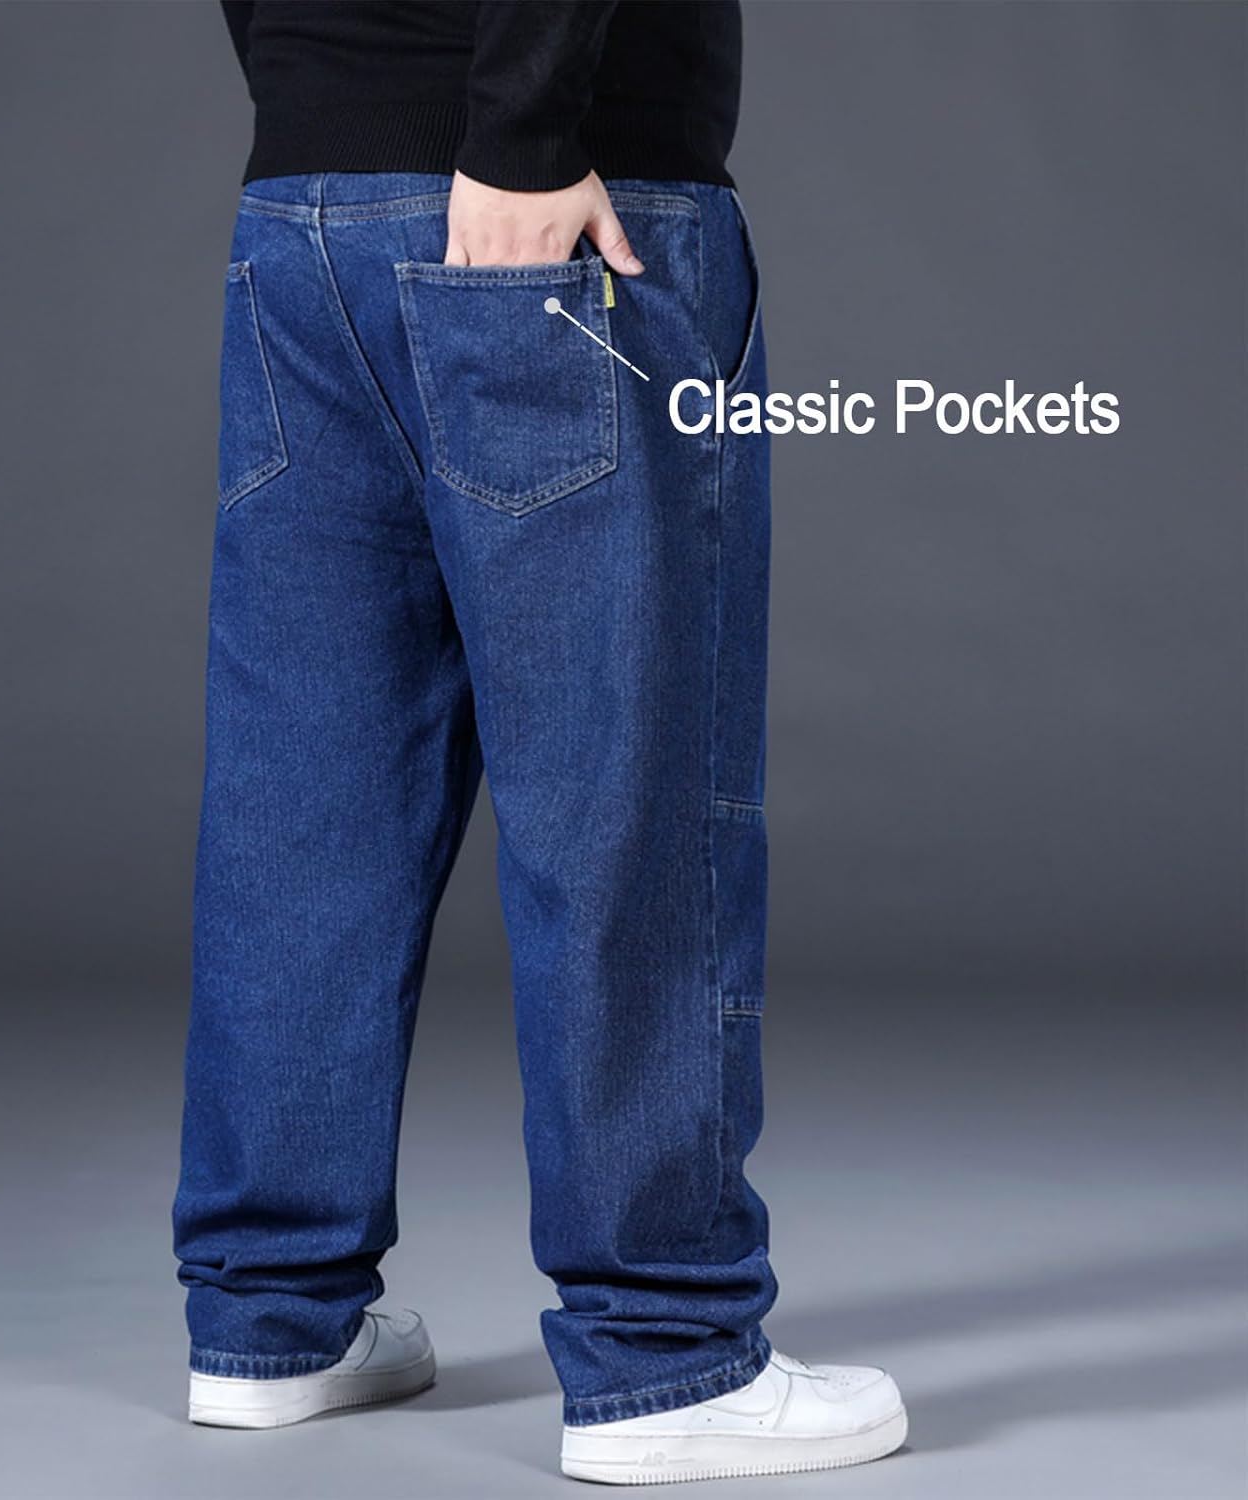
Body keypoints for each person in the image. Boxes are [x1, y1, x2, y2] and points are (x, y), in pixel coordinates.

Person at [171, 0, 905, 1482]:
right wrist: (520, 134)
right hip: (556, 203)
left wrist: (324, 110)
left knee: (306, 802)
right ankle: (666, 1353)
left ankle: (270, 1316)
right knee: (621, 791)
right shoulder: (531, 159)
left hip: (304, 215)